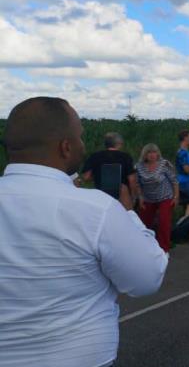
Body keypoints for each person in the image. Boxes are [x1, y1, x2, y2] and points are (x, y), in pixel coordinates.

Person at [0, 97, 167, 367]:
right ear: (65, 147)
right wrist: (129, 214)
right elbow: (147, 279)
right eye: (80, 136)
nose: (83, 144)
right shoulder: (96, 209)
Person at [135, 143, 179, 252]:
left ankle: (164, 248)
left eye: (154, 152)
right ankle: (143, 247)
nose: (152, 155)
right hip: (147, 197)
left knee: (163, 222)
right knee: (143, 223)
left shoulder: (164, 164)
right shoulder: (138, 166)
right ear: (144, 155)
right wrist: (140, 198)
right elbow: (137, 183)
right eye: (149, 152)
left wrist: (176, 196)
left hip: (165, 196)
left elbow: (174, 181)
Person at [80, 132, 137, 207]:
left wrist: (99, 176)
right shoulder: (125, 157)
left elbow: (86, 177)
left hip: (101, 197)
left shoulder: (95, 156)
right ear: (119, 143)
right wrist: (133, 196)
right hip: (121, 197)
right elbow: (132, 179)